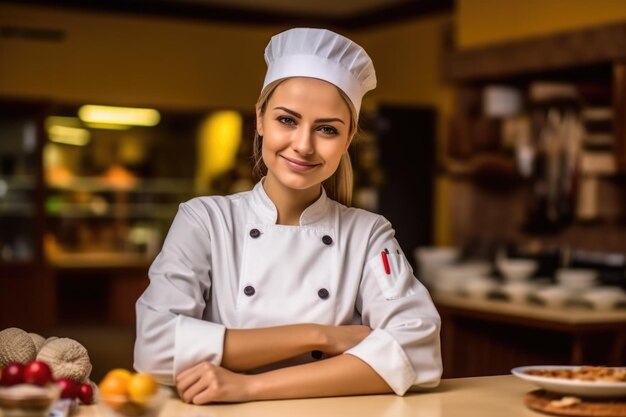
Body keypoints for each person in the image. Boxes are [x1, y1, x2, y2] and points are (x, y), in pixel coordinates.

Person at [134, 27, 442, 404]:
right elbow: (155, 348)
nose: (303, 145)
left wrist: (249, 386)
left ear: (347, 141)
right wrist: (320, 335)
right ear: (260, 119)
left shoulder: (367, 234)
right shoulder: (205, 220)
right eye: (287, 120)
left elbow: (417, 352)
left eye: (327, 129)